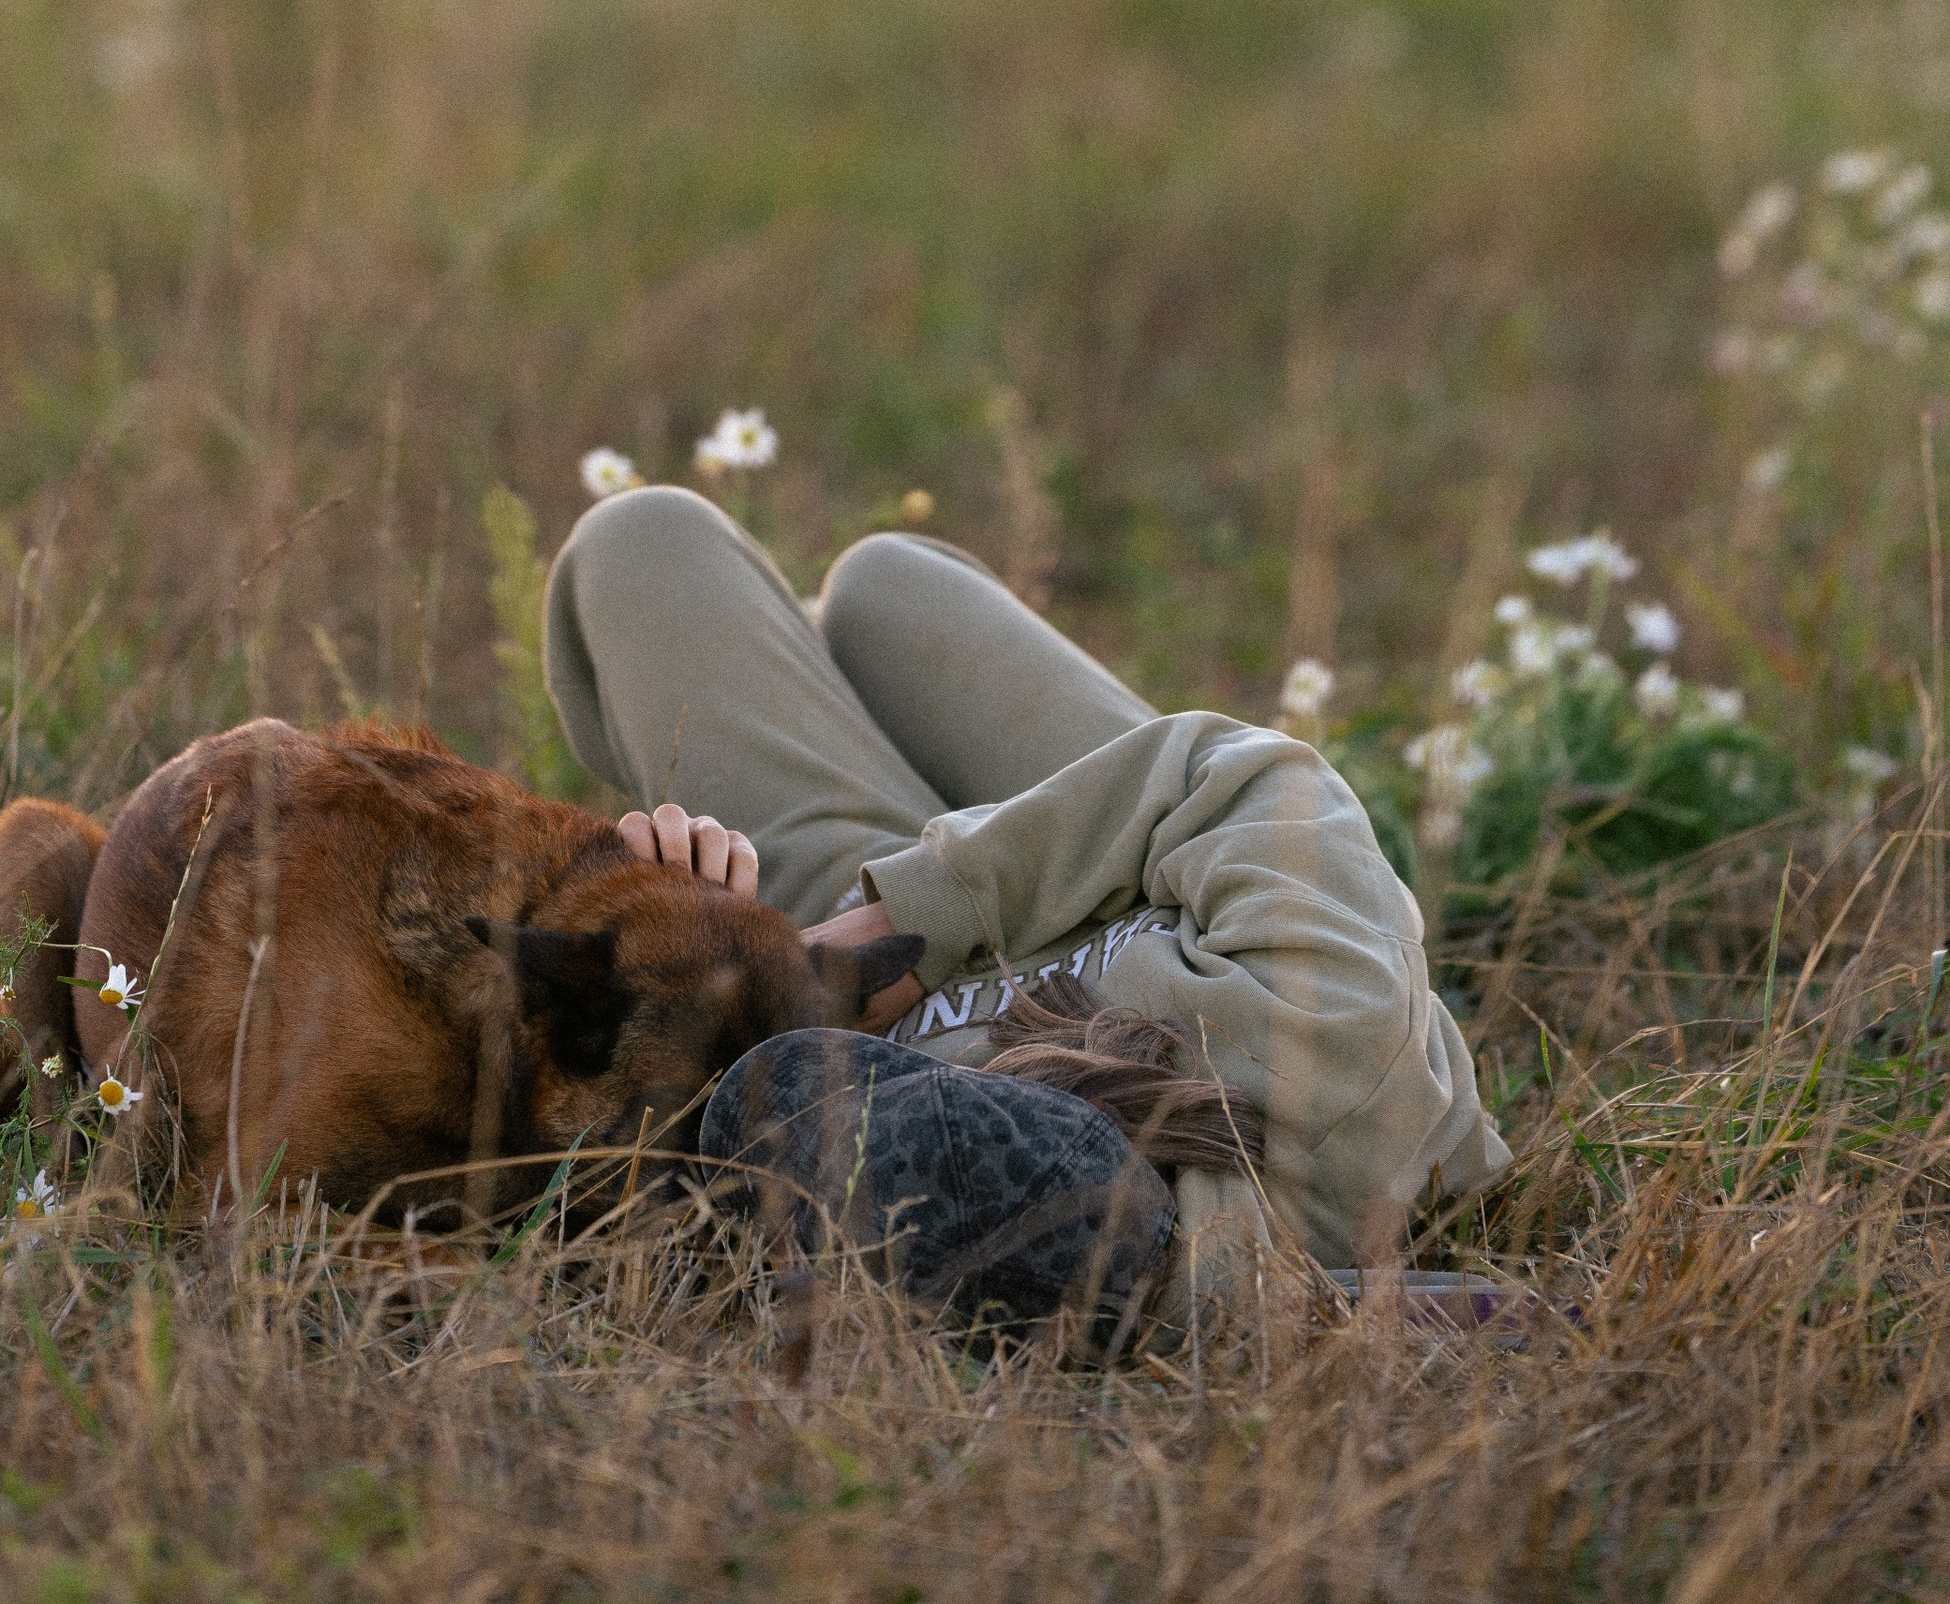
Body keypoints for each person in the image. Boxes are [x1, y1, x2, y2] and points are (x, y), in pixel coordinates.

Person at [543, 485, 1510, 1338]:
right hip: (1107, 859)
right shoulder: (1329, 1066)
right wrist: (907, 928)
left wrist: (710, 930)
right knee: (890, 587)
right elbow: (1246, 782)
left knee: (640, 539)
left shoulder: (960, 1217)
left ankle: (808, 668)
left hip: (828, 957)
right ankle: (830, 658)